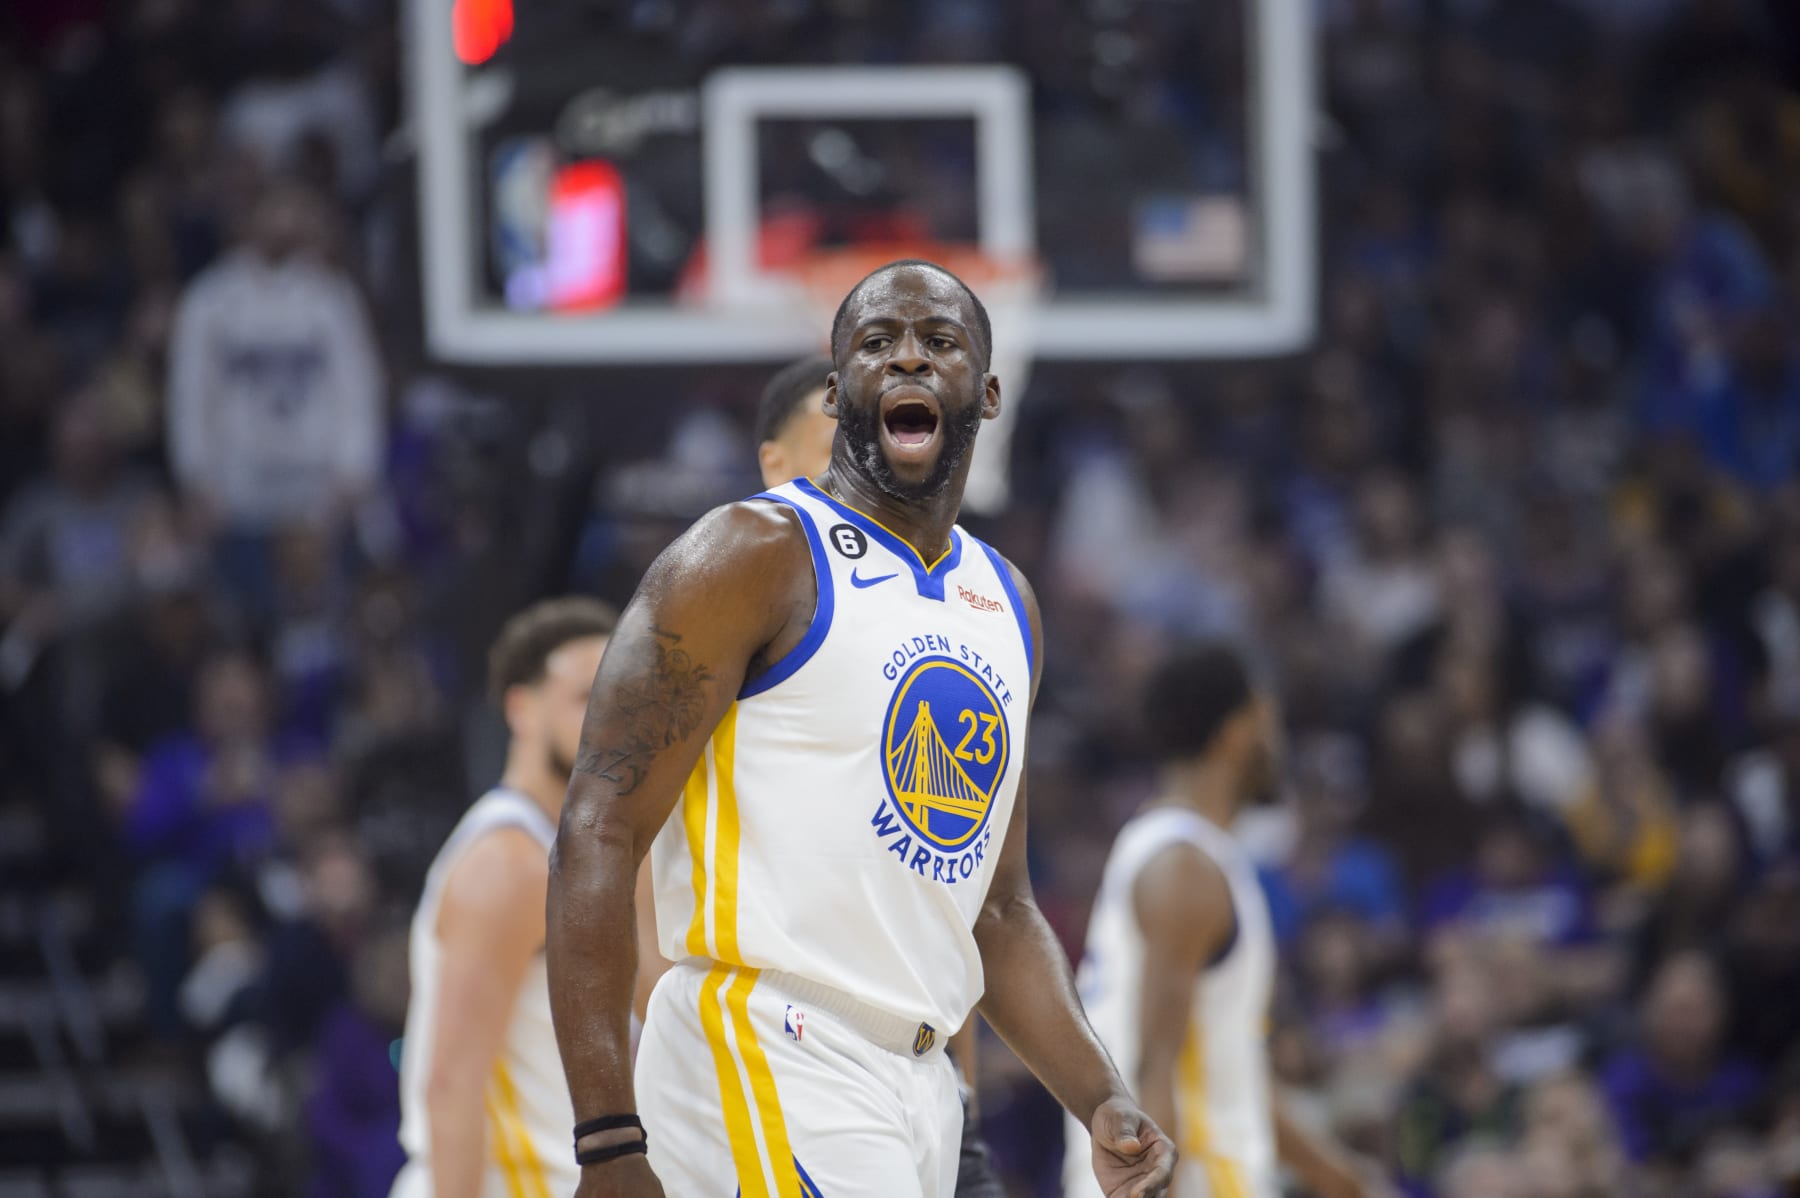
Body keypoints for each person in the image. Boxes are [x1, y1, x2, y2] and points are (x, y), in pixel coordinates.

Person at [548, 260, 1175, 1197]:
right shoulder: (752, 554)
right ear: (839, 393)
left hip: (919, 1086)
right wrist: (605, 1136)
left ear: (990, 391)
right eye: (878, 344)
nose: (910, 359)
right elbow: (597, 827)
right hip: (768, 1041)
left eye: (942, 342)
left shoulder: (1006, 603)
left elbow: (997, 911)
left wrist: (1099, 1097)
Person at [755, 353, 1008, 1198]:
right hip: (778, 1039)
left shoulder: (965, 608)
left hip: (913, 1071)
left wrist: (959, 1086)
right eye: (834, 436)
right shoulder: (742, 591)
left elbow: (949, 906)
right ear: (775, 461)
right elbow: (647, 871)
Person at [1064, 642, 1376, 1198]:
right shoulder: (1187, 870)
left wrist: (1339, 1178)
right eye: (1267, 723)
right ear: (1235, 732)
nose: (1275, 745)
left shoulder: (1167, 848)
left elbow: (1225, 1075)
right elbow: (1154, 1068)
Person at [391, 597, 617, 1198]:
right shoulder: (508, 865)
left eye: (622, 691)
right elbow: (452, 1086)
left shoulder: (588, 851)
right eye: (583, 694)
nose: (607, 713)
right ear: (522, 707)